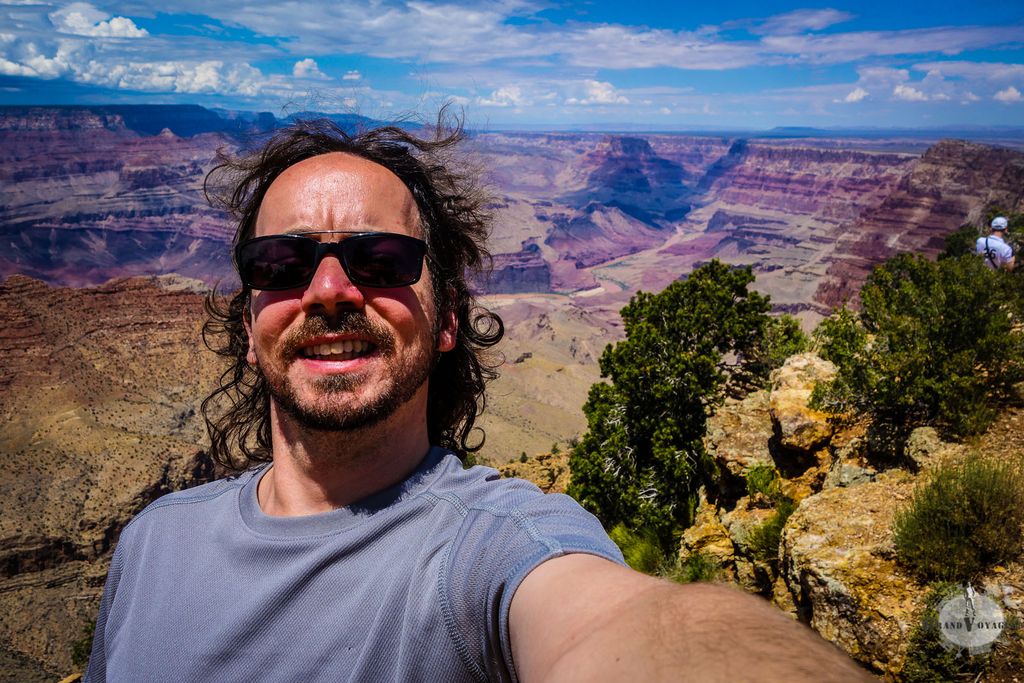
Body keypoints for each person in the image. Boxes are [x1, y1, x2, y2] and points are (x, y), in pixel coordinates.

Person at [84, 115, 873, 682]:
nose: (329, 289)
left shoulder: (495, 553)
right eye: (283, 261)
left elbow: (629, 631)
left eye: (381, 258)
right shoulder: (151, 544)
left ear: (450, 318)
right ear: (250, 310)